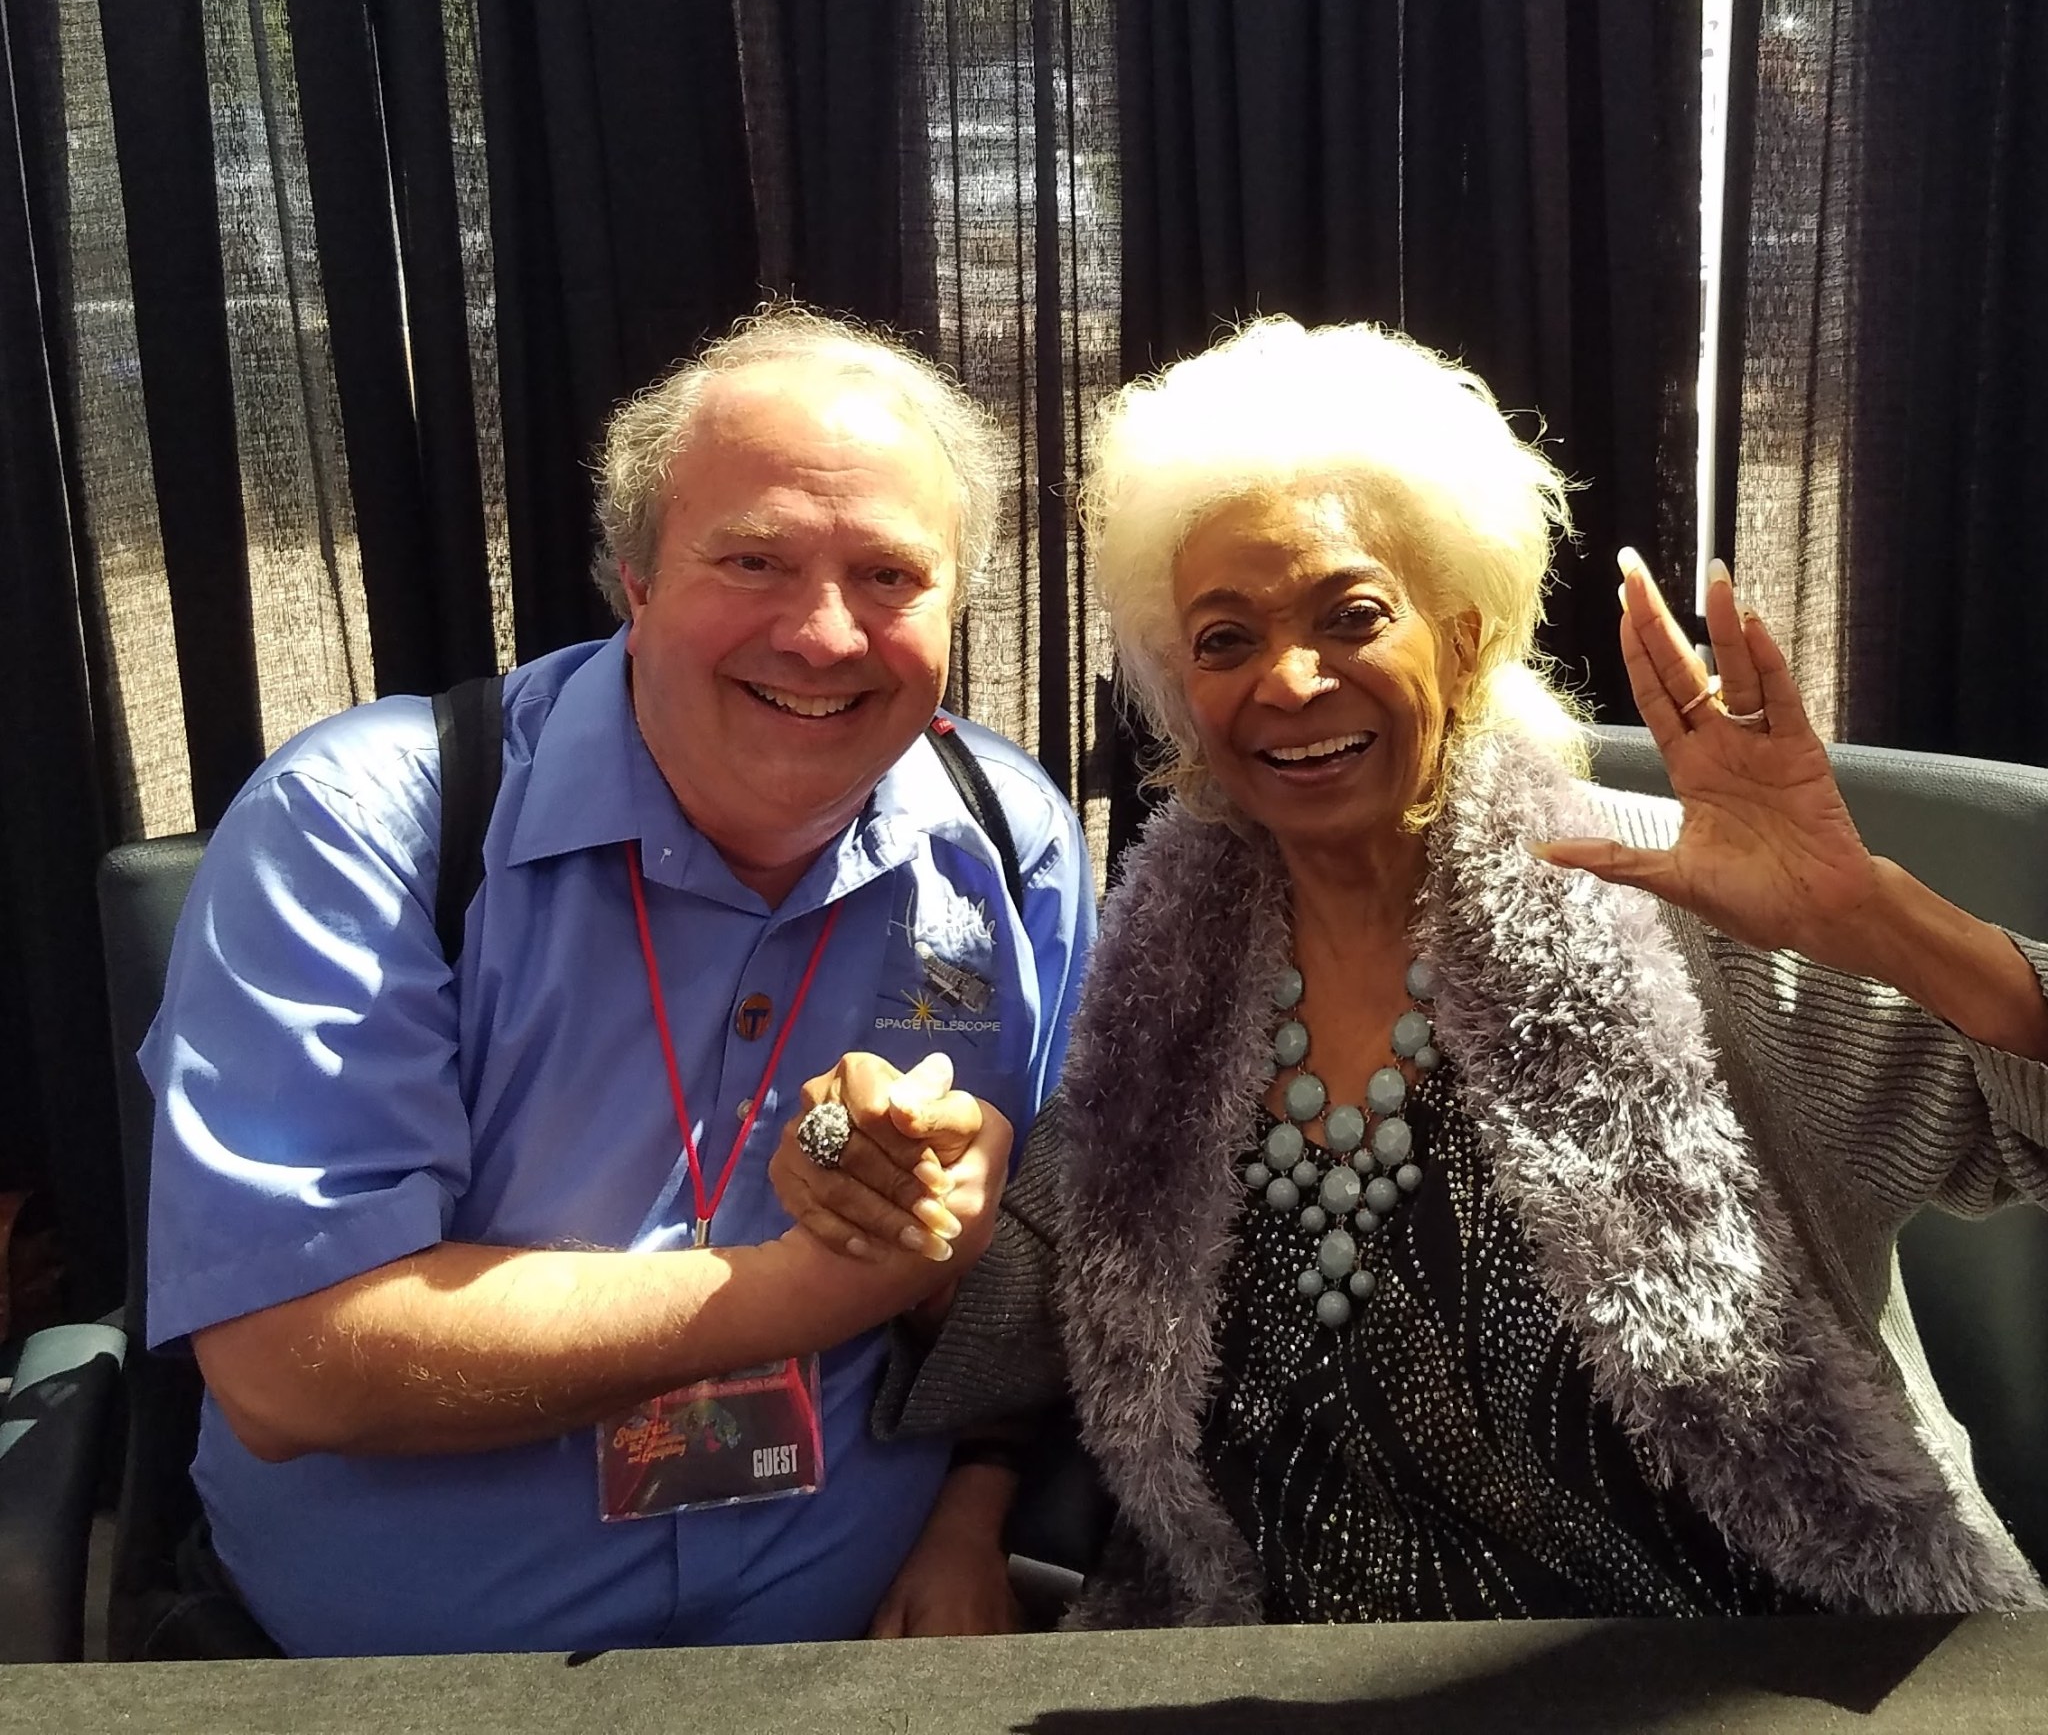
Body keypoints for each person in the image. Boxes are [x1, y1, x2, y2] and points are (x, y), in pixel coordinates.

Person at [779, 315, 2048, 1627]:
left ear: (1461, 635)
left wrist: (1881, 917)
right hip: (1259, 1658)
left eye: (1351, 613)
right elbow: (1039, 1300)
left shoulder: (1675, 908)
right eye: (1224, 639)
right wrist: (875, 1185)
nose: (1289, 677)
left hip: (1723, 1662)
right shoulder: (1171, 971)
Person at [139, 305, 1095, 1655]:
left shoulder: (1012, 839)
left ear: (957, 609)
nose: (823, 635)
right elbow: (294, 1366)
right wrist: (822, 1285)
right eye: (753, 559)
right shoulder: (369, 822)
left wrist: (973, 1506)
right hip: (413, 1684)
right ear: (634, 581)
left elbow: (1057, 1257)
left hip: (844, 1662)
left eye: (890, 576)